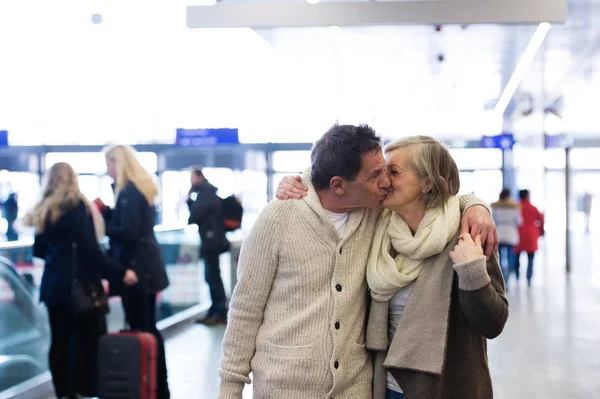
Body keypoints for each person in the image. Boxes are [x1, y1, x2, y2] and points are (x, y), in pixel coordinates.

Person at [218, 124, 497, 398]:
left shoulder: (375, 215)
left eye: (388, 171)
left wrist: (476, 205)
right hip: (284, 386)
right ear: (338, 185)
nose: (385, 182)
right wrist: (230, 388)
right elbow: (245, 310)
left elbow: (438, 201)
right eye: (376, 174)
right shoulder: (278, 219)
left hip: (356, 388)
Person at [365, 136, 508, 399]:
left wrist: (472, 271)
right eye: (383, 171)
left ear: (427, 182)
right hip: (386, 386)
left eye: (393, 171)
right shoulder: (378, 228)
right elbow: (330, 177)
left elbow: (493, 323)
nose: (383, 180)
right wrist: (295, 183)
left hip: (446, 389)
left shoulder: (465, 231)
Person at [25, 162, 138, 399]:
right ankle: (81, 391)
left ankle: (63, 393)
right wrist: (119, 272)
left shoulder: (43, 208)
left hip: (54, 286)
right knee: (85, 343)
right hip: (80, 286)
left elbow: (38, 250)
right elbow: (90, 250)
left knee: (59, 343)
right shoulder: (77, 206)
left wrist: (59, 253)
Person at [98, 145, 171, 399]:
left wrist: (104, 221)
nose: (107, 171)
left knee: (142, 326)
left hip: (136, 270)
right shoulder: (138, 190)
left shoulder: (128, 192)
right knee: (149, 327)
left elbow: (127, 232)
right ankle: (157, 384)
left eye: (109, 164)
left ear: (119, 164)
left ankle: (151, 384)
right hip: (147, 266)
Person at [187, 166, 230, 325]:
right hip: (213, 239)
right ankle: (216, 310)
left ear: (199, 177)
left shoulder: (205, 193)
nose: (190, 181)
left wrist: (189, 198)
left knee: (212, 276)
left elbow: (194, 215)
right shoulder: (208, 192)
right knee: (213, 275)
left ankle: (218, 311)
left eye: (192, 177)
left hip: (211, 240)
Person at [491, 188, 522, 284]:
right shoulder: (514, 207)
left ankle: (501, 276)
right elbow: (519, 221)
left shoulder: (495, 206)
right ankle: (507, 277)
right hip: (510, 234)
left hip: (499, 233)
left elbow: (493, 220)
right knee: (510, 258)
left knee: (499, 258)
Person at [515, 189, 544, 287]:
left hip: (518, 235)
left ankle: (517, 276)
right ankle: (529, 278)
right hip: (531, 235)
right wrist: (541, 232)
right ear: (528, 196)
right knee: (530, 258)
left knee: (516, 257)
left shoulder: (517, 208)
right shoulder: (533, 208)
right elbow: (541, 221)